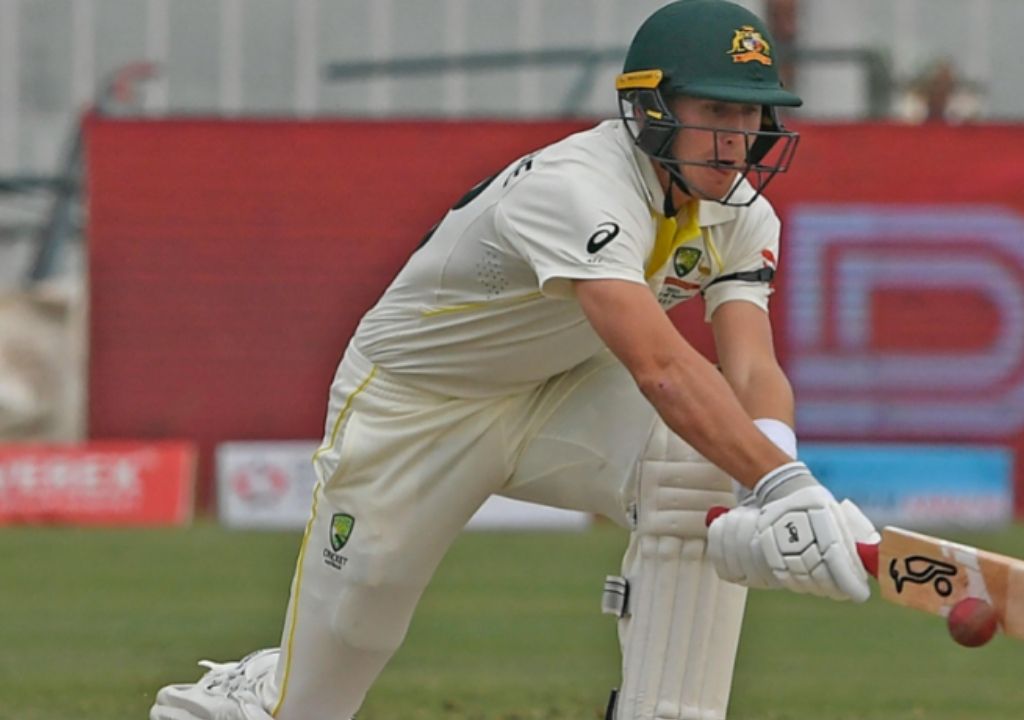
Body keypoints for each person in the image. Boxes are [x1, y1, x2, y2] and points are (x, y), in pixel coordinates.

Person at [149, 2, 879, 719]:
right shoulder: (578, 189)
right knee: (330, 677)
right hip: (420, 404)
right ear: (652, 109)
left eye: (751, 116)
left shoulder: (744, 211)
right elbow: (659, 366)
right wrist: (783, 488)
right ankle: (252, 695)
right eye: (716, 113)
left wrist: (777, 477)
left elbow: (750, 369)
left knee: (703, 465)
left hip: (563, 388)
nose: (736, 140)